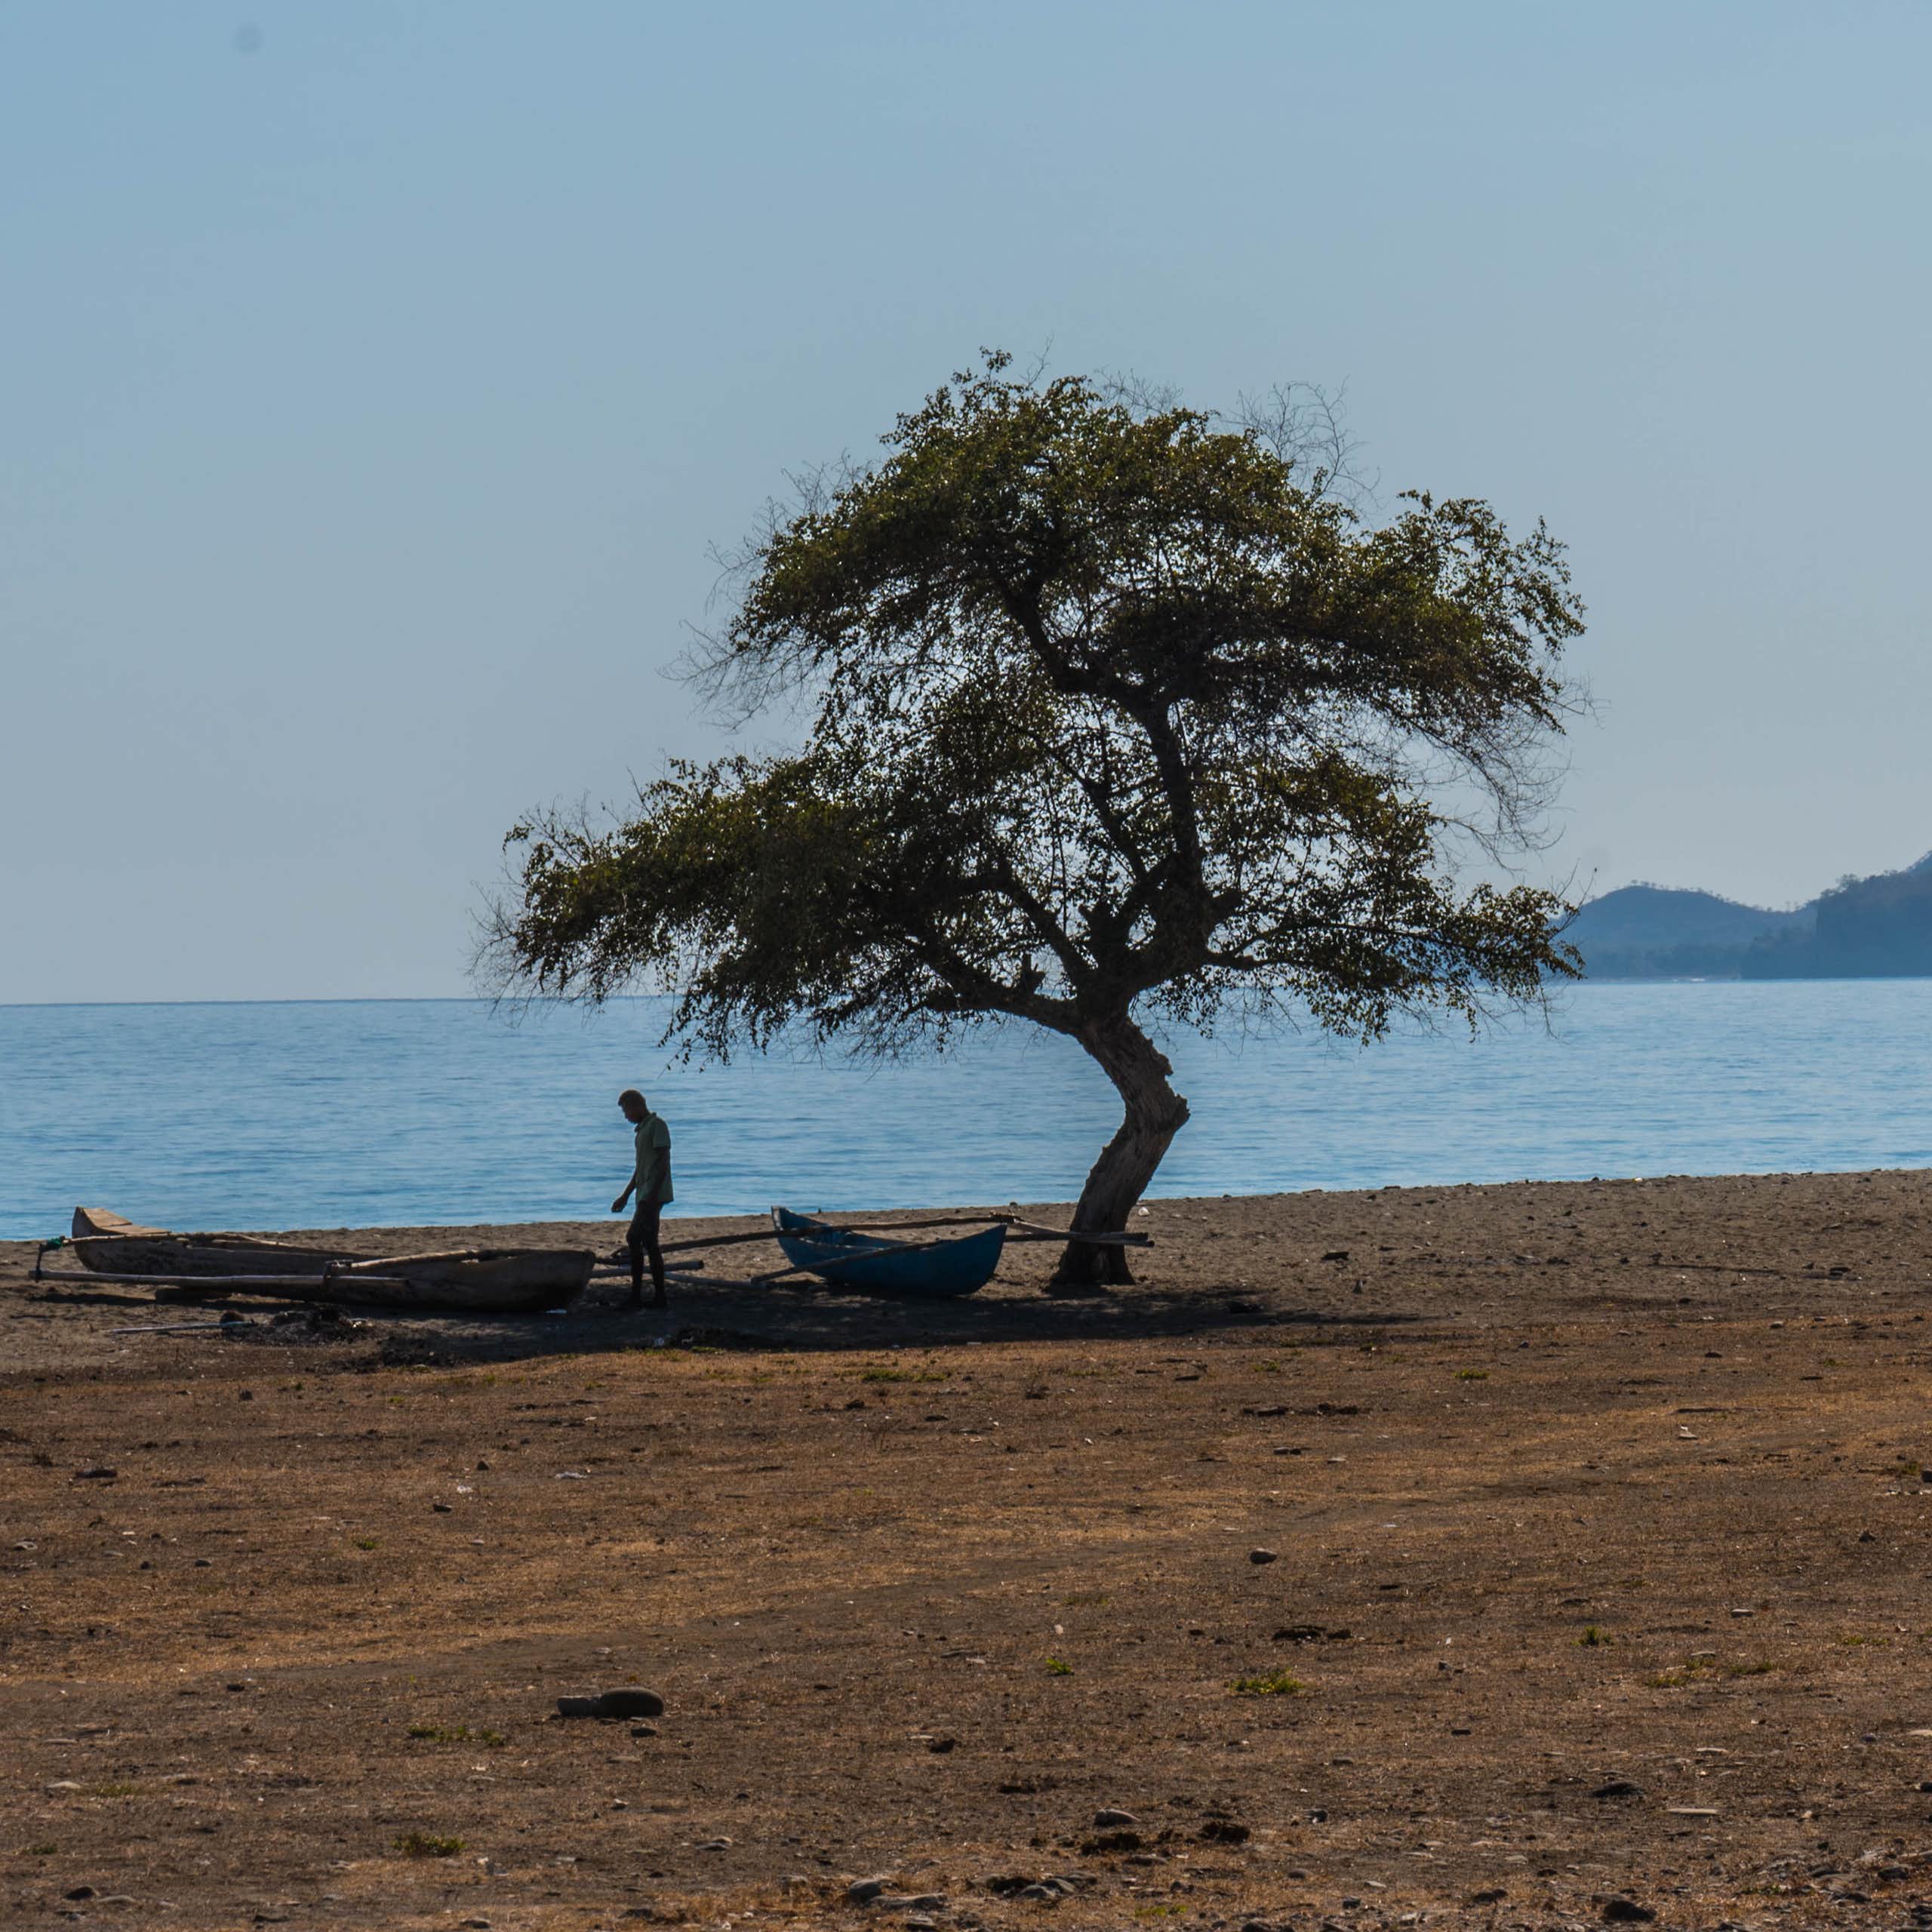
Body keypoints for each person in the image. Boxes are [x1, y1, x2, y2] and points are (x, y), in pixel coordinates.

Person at [613, 1088, 673, 1309]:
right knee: (649, 1243)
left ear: (637, 1105)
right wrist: (626, 1196)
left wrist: (652, 1194)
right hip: (644, 1194)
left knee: (633, 1238)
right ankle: (657, 1297)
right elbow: (640, 1170)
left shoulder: (657, 1126)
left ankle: (638, 1296)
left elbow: (664, 1161)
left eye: (626, 1111)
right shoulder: (641, 1132)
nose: (626, 1116)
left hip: (653, 1195)